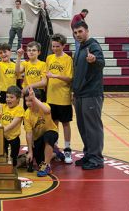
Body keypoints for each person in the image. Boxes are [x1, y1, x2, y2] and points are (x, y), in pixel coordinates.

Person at [72, 21, 105, 170]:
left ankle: (96, 159)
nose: (78, 34)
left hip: (91, 93)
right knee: (83, 127)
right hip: (80, 94)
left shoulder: (93, 45)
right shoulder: (80, 48)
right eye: (75, 32)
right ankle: (89, 154)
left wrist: (94, 60)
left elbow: (101, 63)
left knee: (93, 127)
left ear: (87, 31)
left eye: (80, 31)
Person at [46, 34, 74, 164]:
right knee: (54, 123)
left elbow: (69, 78)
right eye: (53, 46)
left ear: (63, 46)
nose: (55, 48)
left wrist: (55, 75)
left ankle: (67, 148)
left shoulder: (68, 59)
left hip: (63, 97)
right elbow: (46, 77)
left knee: (65, 123)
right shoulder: (49, 58)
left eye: (57, 46)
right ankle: (55, 149)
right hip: (51, 97)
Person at [24, 87, 58, 177]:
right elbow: (29, 133)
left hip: (51, 133)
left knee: (48, 136)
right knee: (39, 160)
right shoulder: (27, 114)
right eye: (26, 101)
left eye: (31, 100)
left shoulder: (44, 106)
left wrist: (34, 98)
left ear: (38, 99)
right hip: (38, 139)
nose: (28, 103)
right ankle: (55, 153)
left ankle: (46, 166)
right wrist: (30, 151)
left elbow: (48, 111)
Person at [0, 85, 24, 166]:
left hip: (13, 140)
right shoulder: (3, 107)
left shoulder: (19, 110)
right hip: (2, 138)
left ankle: (22, 159)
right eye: (7, 97)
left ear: (18, 99)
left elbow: (11, 125)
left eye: (11, 97)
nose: (8, 99)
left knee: (12, 164)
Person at [15, 41, 47, 106]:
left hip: (39, 92)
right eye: (29, 50)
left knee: (39, 114)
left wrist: (29, 86)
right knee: (28, 113)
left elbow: (44, 82)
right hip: (27, 92)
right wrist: (19, 56)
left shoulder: (43, 64)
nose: (31, 52)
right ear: (26, 52)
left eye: (34, 50)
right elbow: (17, 71)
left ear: (39, 52)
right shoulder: (25, 64)